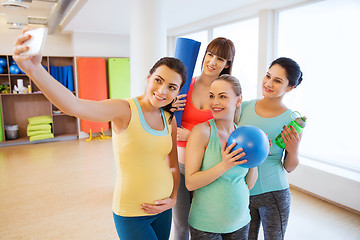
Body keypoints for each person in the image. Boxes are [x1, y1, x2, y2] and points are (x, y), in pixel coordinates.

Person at [13, 29, 187, 240]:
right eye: (158, 80)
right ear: (148, 77)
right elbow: (74, 105)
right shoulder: (124, 109)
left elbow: (172, 166)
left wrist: (173, 198)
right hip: (132, 212)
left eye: (172, 87)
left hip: (163, 209)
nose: (162, 91)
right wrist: (34, 70)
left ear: (177, 92)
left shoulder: (169, 118)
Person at [172, 37, 236, 240]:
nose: (212, 61)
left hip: (208, 169)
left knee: (203, 226)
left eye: (220, 58)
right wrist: (169, 109)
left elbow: (227, 132)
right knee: (181, 225)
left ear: (227, 64)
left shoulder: (225, 95)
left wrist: (192, 136)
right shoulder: (184, 85)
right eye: (210, 55)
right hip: (179, 165)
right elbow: (162, 121)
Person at [236, 57, 303, 240]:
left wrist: (294, 149)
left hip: (274, 193)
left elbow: (289, 166)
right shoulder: (243, 108)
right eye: (268, 76)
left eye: (277, 80)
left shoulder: (291, 120)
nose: (268, 83)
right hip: (242, 191)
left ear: (289, 88)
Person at [185, 74, 258, 239]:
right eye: (212, 96)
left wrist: (255, 158)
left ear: (238, 100)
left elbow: (249, 185)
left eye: (222, 96)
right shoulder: (201, 132)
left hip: (240, 222)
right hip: (206, 226)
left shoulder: (242, 134)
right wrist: (224, 165)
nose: (215, 102)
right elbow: (190, 183)